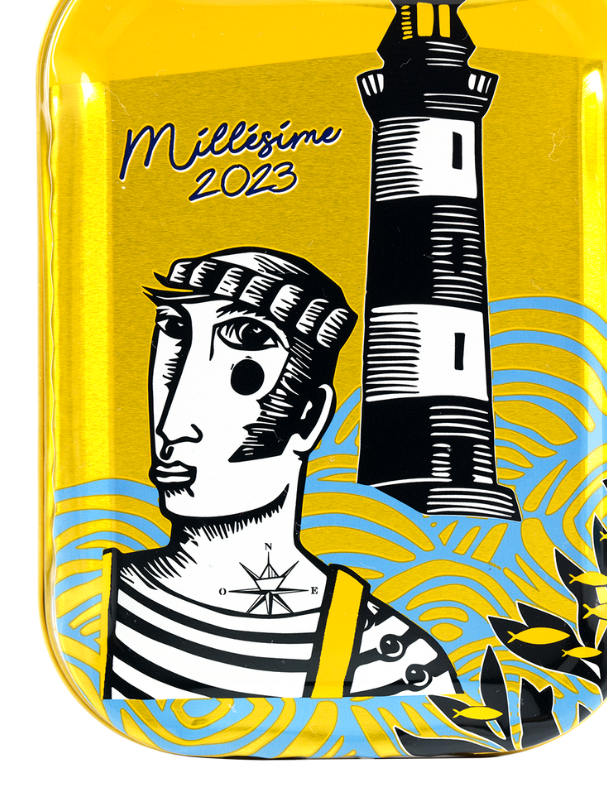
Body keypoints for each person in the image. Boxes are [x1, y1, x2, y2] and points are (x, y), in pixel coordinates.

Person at [101, 247, 461, 701]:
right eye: (173, 336)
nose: (172, 426)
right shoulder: (88, 611)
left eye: (242, 375)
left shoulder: (392, 667)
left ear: (307, 419)